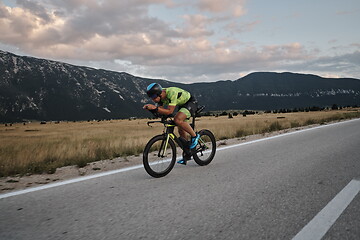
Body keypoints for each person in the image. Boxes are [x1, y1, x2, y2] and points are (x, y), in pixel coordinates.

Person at [143, 83, 200, 165]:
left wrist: (155, 108)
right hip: (181, 105)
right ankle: (187, 152)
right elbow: (161, 111)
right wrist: (152, 110)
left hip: (190, 102)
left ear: (159, 94)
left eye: (154, 97)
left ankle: (195, 136)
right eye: (151, 98)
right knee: (180, 130)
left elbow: (170, 111)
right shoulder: (160, 98)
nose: (153, 100)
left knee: (177, 119)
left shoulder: (171, 93)